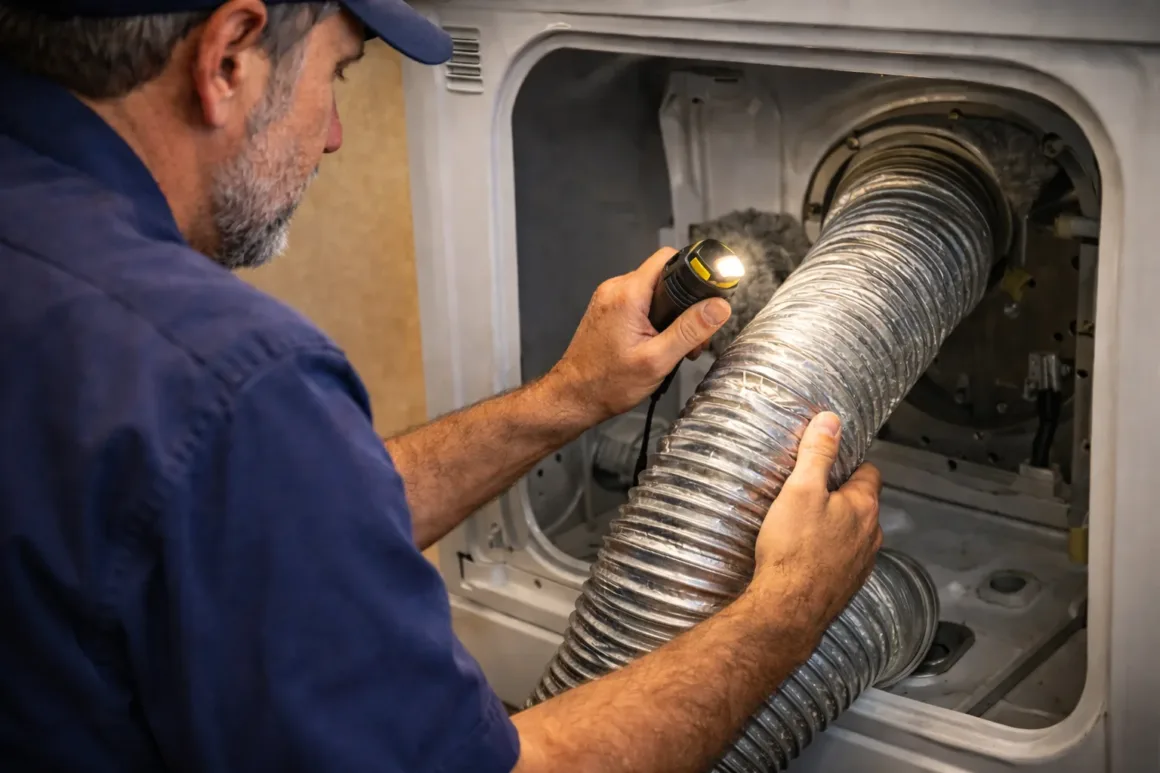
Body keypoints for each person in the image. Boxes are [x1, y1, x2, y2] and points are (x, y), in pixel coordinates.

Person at [0, 1, 884, 772]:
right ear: (229, 55)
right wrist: (787, 610)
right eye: (338, 75)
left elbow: (273, 514)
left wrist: (571, 393)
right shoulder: (226, 380)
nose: (336, 134)